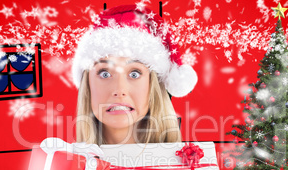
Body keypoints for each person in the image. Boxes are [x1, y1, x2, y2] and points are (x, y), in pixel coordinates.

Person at [72, 4, 198, 145]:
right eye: (105, 74)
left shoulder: (189, 165)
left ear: (153, 86)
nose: (119, 90)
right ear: (87, 85)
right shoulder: (61, 163)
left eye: (134, 74)